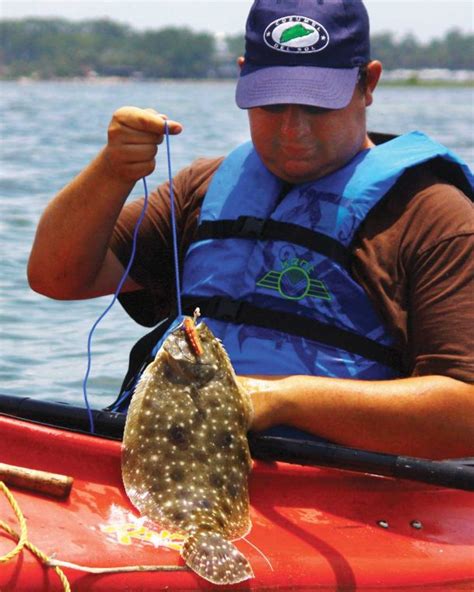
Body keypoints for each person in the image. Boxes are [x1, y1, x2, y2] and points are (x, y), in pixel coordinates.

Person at [28, 0, 473, 460]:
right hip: (165, 460)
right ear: (243, 77)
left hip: (332, 492)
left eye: (317, 105)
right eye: (271, 103)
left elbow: (467, 411)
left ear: (368, 83)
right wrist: (110, 172)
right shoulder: (205, 188)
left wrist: (282, 399)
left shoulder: (435, 218)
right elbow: (56, 277)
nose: (292, 129)